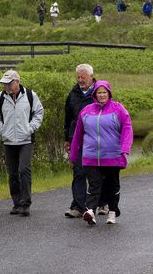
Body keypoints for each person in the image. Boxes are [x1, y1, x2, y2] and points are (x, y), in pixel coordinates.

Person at [70, 80, 133, 225]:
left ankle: (112, 212)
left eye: (104, 92)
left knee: (112, 186)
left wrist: (125, 149)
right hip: (91, 156)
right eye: (99, 92)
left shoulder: (118, 109)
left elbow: (127, 128)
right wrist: (74, 154)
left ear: (109, 93)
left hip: (112, 155)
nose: (102, 95)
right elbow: (78, 134)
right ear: (95, 94)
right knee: (94, 184)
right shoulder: (86, 111)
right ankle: (90, 211)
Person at [0, 70, 44, 217]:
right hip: (8, 140)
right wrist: (2, 130)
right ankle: (17, 203)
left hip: (26, 139)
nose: (6, 87)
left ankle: (25, 204)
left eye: (8, 83)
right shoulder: (0, 97)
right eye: (4, 84)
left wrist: (30, 128)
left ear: (17, 82)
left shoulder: (30, 95)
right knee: (12, 173)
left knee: (23, 170)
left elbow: (39, 113)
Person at [63, 64, 99, 218]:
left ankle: (100, 203)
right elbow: (68, 118)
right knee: (78, 171)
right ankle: (78, 206)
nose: (80, 80)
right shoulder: (73, 94)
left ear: (91, 77)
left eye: (83, 77)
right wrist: (67, 139)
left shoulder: (100, 92)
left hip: (96, 139)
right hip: (77, 138)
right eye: (78, 77)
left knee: (97, 173)